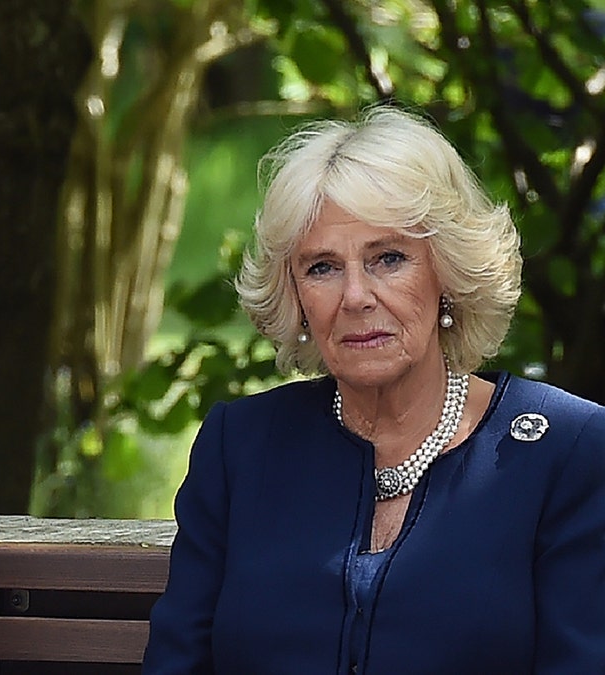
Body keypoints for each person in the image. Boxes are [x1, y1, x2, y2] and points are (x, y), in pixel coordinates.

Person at [142, 106, 605, 673]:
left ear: (448, 276)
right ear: (296, 297)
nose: (356, 296)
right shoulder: (239, 446)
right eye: (322, 268)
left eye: (389, 258)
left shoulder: (568, 450)